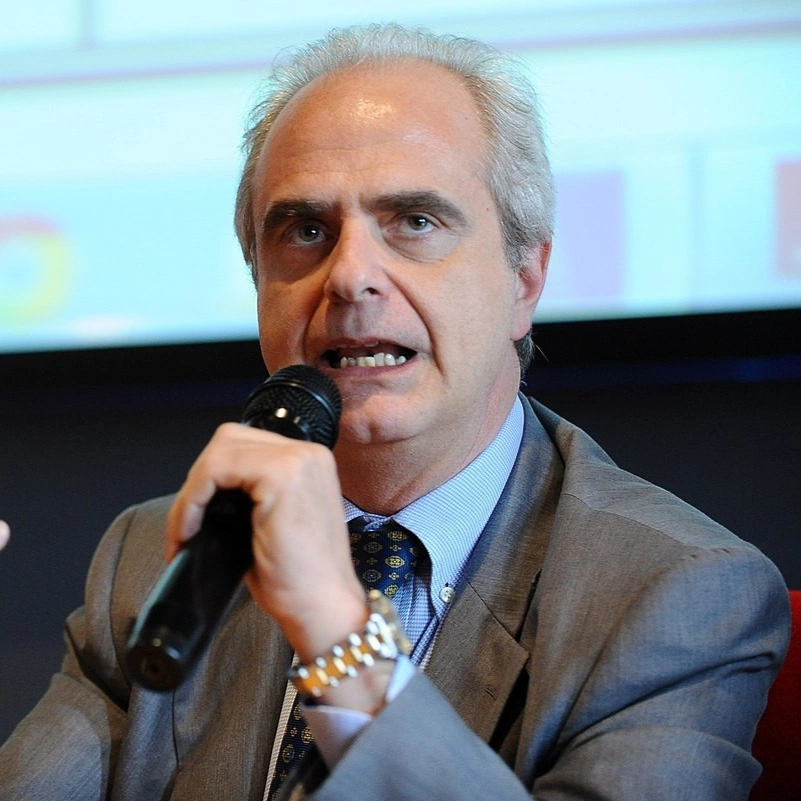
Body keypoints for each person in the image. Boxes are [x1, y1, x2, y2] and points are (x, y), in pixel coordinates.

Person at [0, 23, 790, 801]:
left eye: (414, 222)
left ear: (524, 278)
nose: (349, 276)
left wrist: (337, 634)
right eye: (306, 230)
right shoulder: (158, 557)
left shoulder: (675, 592)